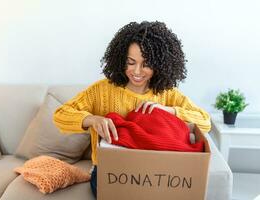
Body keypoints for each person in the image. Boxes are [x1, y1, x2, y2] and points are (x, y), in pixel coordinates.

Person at [53, 21, 211, 198]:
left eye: (146, 64)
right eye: (131, 62)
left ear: (160, 64)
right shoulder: (102, 90)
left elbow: (204, 122)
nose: (137, 71)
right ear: (121, 60)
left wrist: (171, 111)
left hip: (156, 173)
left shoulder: (167, 94)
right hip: (110, 172)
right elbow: (60, 115)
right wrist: (93, 119)